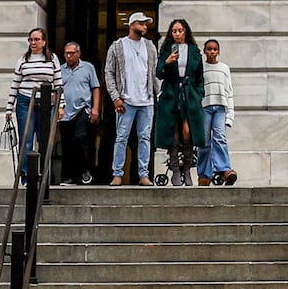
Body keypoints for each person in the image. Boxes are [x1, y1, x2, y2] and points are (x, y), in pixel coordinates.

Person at [108, 11, 160, 186]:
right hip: (126, 100)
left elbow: (154, 71)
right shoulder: (118, 46)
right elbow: (109, 72)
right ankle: (117, 174)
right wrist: (115, 97)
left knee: (145, 138)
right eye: (141, 23)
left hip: (147, 100)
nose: (145, 27)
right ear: (132, 24)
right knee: (121, 138)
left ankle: (143, 174)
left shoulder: (150, 46)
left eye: (146, 24)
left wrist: (157, 92)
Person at [155, 18, 208, 187]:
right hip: (171, 94)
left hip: (189, 95)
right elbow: (159, 73)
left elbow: (199, 76)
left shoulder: (194, 51)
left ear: (186, 32)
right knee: (174, 133)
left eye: (180, 30)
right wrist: (167, 62)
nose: (177, 34)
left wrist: (198, 94)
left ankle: (187, 170)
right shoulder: (165, 50)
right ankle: (176, 171)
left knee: (188, 133)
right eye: (174, 31)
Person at [8, 27, 61, 175]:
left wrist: (61, 106)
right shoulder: (23, 59)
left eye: (37, 39)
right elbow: (15, 83)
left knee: (44, 140)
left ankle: (45, 175)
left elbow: (58, 83)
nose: (33, 42)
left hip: (46, 101)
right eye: (31, 39)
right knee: (26, 139)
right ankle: (25, 175)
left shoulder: (52, 59)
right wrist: (9, 107)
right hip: (25, 100)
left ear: (44, 42)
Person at [55, 41, 102, 185]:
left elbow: (95, 88)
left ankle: (85, 169)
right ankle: (69, 176)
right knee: (67, 144)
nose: (69, 56)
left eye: (72, 53)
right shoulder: (60, 70)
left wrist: (95, 108)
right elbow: (56, 89)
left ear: (78, 53)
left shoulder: (88, 68)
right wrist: (57, 107)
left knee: (79, 138)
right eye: (66, 53)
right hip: (65, 111)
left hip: (83, 108)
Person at [199, 36, 238, 185]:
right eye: (209, 49)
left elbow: (229, 92)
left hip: (220, 108)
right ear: (205, 51)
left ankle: (225, 169)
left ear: (218, 51)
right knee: (204, 142)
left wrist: (230, 116)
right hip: (205, 107)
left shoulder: (224, 68)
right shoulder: (201, 68)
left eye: (215, 49)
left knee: (220, 137)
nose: (212, 52)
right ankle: (204, 174)